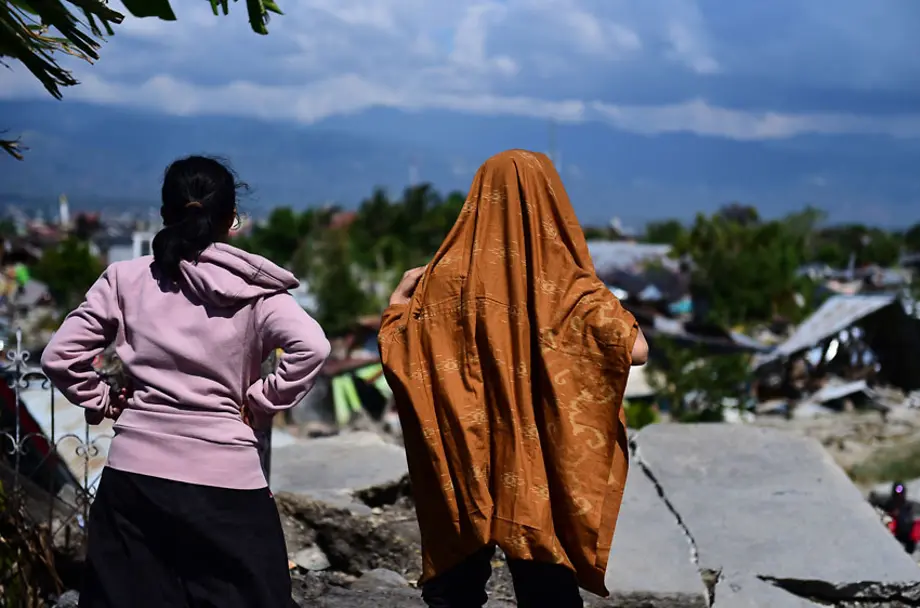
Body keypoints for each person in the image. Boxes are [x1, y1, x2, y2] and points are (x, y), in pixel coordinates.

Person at [41, 155, 330, 608]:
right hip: (228, 486)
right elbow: (312, 347)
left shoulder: (126, 280)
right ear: (231, 219)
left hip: (133, 483)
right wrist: (260, 401)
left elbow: (59, 355)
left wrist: (102, 399)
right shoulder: (257, 291)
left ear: (165, 213)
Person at [379, 149, 649, 608]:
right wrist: (598, 297)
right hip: (533, 467)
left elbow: (399, 356)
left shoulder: (440, 279)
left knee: (455, 582)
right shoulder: (568, 287)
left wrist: (397, 304)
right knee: (545, 579)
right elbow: (636, 350)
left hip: (466, 457)